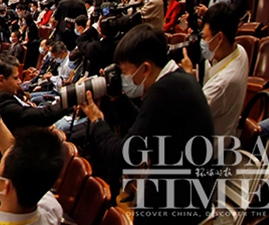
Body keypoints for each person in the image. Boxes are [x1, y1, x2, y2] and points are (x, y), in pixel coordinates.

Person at [79, 24, 215, 225]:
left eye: (126, 72)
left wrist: (97, 120)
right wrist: (119, 99)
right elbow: (147, 125)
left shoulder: (164, 92)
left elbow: (123, 156)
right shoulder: (178, 80)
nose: (125, 79)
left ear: (145, 68)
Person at [179, 2, 249, 137]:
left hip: (210, 148)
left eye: (205, 37)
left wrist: (188, 78)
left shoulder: (222, 84)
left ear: (220, 37)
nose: (202, 42)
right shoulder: (239, 51)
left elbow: (190, 116)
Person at [0, 54, 65, 131]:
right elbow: (42, 117)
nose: (19, 81)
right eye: (16, 78)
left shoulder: (0, 95)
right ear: (1, 80)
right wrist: (67, 102)